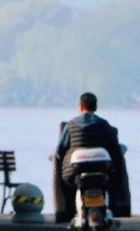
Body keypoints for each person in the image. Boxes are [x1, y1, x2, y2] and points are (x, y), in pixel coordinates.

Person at [53, 91, 130, 223]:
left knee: (67, 185)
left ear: (80, 106)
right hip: (102, 168)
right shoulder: (104, 125)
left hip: (75, 169)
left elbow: (60, 150)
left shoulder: (71, 125)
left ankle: (66, 212)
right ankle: (117, 208)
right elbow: (114, 147)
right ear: (95, 107)